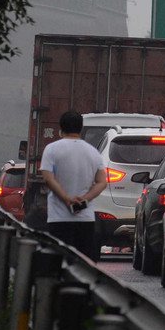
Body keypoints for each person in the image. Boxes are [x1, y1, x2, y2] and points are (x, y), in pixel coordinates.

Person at [39, 110, 108, 260]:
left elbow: (48, 178)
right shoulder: (93, 152)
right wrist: (85, 199)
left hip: (58, 218)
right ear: (80, 128)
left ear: (61, 129)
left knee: (59, 262)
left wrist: (66, 199)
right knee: (83, 265)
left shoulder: (52, 149)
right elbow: (102, 182)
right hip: (85, 219)